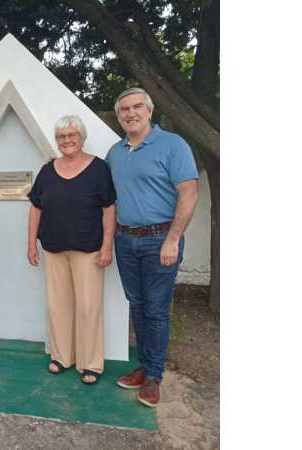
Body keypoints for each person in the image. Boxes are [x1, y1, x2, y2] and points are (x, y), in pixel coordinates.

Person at [106, 88, 199, 407]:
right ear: (119, 116)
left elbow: (189, 193)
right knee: (137, 305)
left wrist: (173, 238)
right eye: (124, 109)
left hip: (160, 239)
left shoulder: (173, 145)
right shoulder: (115, 152)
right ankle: (144, 367)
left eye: (137, 107)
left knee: (156, 309)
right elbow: (98, 185)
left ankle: (154, 377)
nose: (131, 113)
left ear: (149, 110)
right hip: (124, 239)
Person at [27, 115, 116, 385]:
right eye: (61, 136)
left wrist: (107, 246)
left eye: (71, 135)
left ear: (82, 137)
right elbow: (36, 208)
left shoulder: (99, 168)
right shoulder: (47, 171)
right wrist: (31, 244)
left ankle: (90, 363)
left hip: (89, 249)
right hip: (53, 248)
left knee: (88, 307)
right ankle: (61, 357)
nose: (66, 140)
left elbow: (109, 208)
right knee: (58, 306)